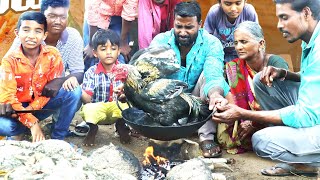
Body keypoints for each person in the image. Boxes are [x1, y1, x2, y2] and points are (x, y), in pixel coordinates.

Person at [212, 0, 320, 177]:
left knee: (261, 141)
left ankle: (305, 163)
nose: (279, 25)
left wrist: (243, 114)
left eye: (284, 18)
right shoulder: (309, 41)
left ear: (306, 13)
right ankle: (300, 146)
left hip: (311, 117)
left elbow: (304, 115)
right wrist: (284, 73)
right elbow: (310, 77)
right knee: (260, 83)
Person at [149, 1, 233, 158]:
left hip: (199, 99)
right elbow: (149, 72)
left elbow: (213, 74)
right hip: (169, 100)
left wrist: (214, 95)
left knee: (208, 78)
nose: (182, 32)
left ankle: (206, 137)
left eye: (189, 27)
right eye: (178, 26)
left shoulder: (212, 43)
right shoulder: (160, 41)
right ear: (173, 22)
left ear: (200, 25)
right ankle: (165, 131)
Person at [0, 11, 81, 142]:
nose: (31, 36)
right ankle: (21, 131)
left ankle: (58, 138)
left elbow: (50, 92)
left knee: (74, 91)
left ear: (44, 35)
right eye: (26, 30)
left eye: (38, 31)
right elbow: (8, 98)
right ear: (17, 33)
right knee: (8, 127)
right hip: (17, 109)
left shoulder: (53, 55)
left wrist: (31, 110)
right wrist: (33, 123)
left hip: (40, 105)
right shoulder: (9, 61)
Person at [218, 21, 289, 154]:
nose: (238, 47)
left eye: (244, 42)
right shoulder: (234, 67)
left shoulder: (275, 64)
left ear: (261, 43)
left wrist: (254, 121)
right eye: (236, 43)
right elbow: (227, 91)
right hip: (245, 119)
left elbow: (282, 102)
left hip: (273, 117)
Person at [80, 29, 130, 146]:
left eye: (113, 49)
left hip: (117, 108)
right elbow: (87, 99)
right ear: (95, 53)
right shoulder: (91, 72)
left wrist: (124, 96)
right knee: (88, 109)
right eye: (103, 49)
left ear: (119, 51)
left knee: (127, 105)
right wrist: (79, 89)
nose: (109, 53)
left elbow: (131, 93)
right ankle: (93, 129)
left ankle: (120, 126)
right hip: (98, 109)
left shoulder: (125, 70)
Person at [83, 0, 138, 68]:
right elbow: (92, 6)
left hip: (119, 17)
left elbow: (130, 8)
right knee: (93, 55)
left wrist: (123, 42)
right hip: (95, 16)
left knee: (119, 55)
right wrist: (91, 44)